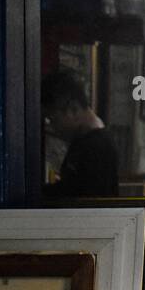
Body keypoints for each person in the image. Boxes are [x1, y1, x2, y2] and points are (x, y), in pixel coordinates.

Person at [41, 69, 120, 199]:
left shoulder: (98, 147)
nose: (52, 127)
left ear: (73, 109)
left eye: (53, 119)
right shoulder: (85, 141)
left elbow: (84, 200)